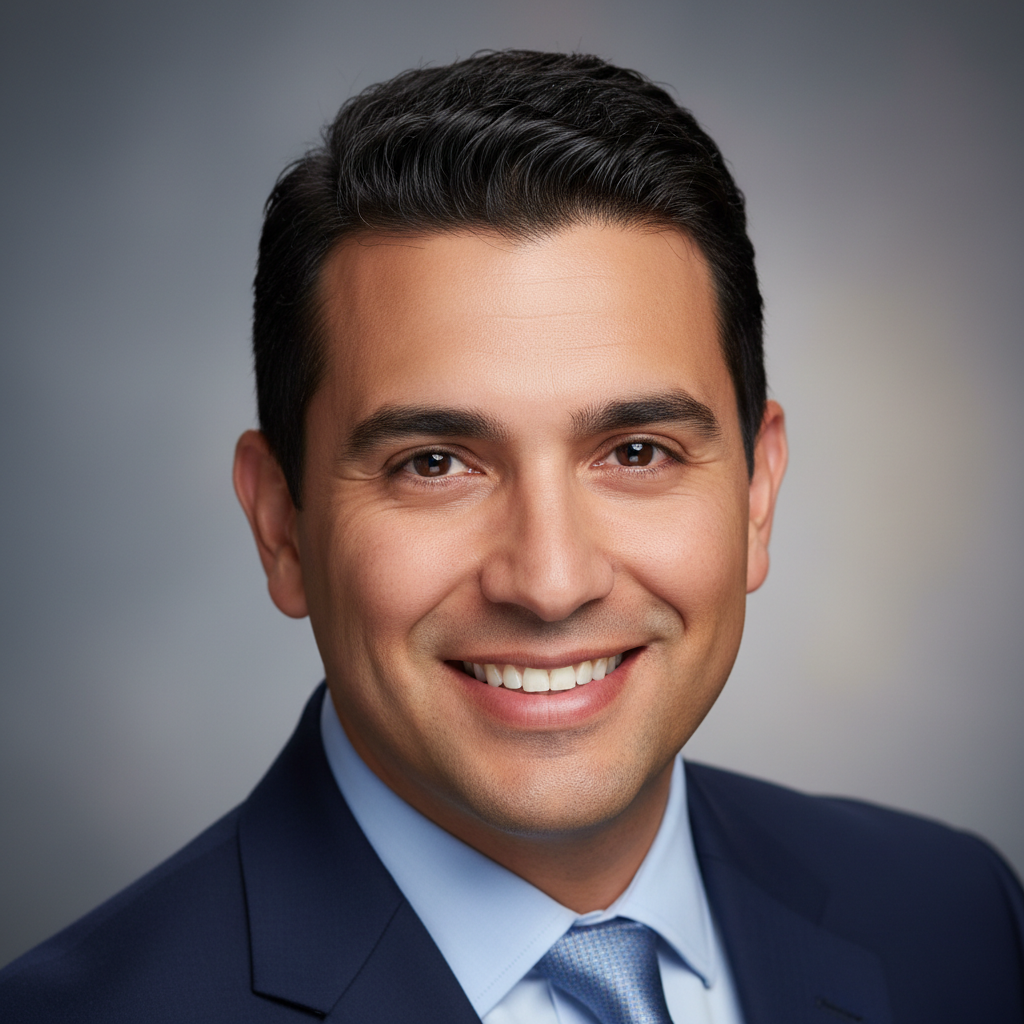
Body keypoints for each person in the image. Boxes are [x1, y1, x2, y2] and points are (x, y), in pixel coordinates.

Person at [1, 49, 1021, 1023]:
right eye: (435, 463)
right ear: (281, 524)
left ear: (756, 494)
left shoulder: (953, 917)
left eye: (635, 452)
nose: (549, 580)